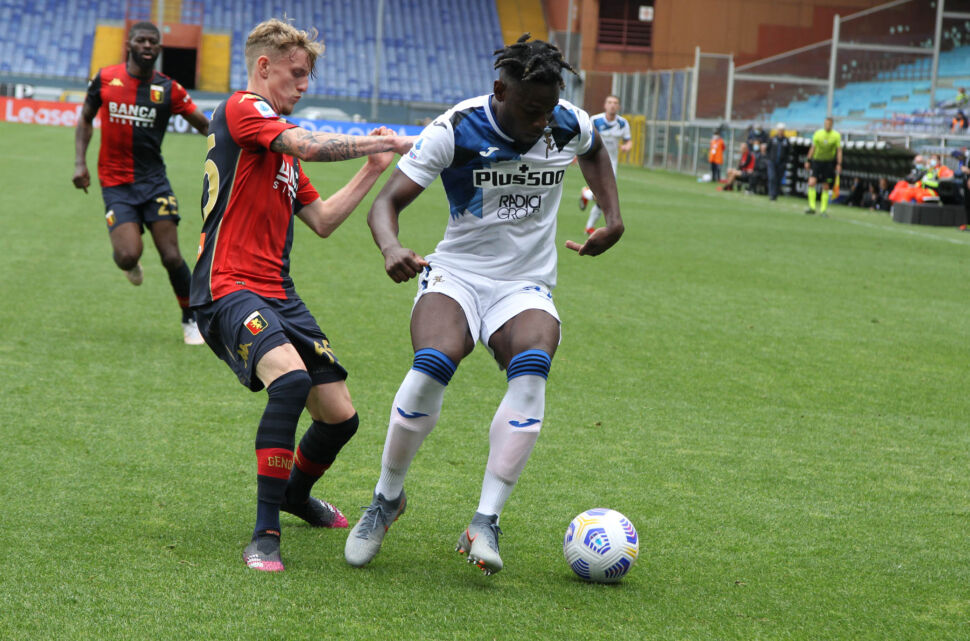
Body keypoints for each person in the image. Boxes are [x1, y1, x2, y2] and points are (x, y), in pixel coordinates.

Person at [343, 34, 624, 576]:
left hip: (525, 283)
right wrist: (392, 247)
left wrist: (613, 218)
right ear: (501, 90)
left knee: (533, 368)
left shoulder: (567, 121)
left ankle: (485, 521)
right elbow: (387, 203)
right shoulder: (456, 128)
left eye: (548, 110)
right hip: (458, 274)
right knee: (432, 364)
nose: (543, 123)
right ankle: (385, 501)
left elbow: (594, 151)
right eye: (530, 109)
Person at [189, 18, 413, 572]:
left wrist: (372, 168)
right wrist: (387, 137)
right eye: (297, 73)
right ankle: (265, 535)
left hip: (278, 293)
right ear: (264, 67)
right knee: (288, 383)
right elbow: (308, 144)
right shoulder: (243, 107)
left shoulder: (280, 147)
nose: (304, 84)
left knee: (340, 418)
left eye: (308, 75)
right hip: (227, 284)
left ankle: (294, 494)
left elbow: (322, 220)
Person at [72, 21, 210, 344]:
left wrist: (238, 141)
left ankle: (191, 318)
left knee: (172, 256)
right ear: (130, 45)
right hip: (116, 184)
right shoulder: (105, 78)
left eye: (153, 42)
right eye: (141, 40)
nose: (147, 46)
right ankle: (130, 262)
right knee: (126, 255)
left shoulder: (169, 89)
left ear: (159, 49)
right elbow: (85, 118)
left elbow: (204, 124)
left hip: (154, 183)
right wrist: (80, 162)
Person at [581, 94, 632, 234]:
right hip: (596, 160)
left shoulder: (623, 123)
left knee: (604, 196)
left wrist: (627, 147)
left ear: (618, 106)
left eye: (615, 103)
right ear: (605, 105)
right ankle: (589, 222)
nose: (612, 105)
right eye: (609, 102)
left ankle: (587, 197)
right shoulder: (595, 120)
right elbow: (585, 138)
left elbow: (628, 141)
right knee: (603, 195)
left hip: (612, 163)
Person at [804, 116, 842, 216]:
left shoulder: (836, 135)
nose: (827, 125)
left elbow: (839, 151)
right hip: (817, 162)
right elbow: (813, 147)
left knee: (826, 186)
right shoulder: (818, 133)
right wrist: (808, 160)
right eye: (826, 123)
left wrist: (839, 164)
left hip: (828, 163)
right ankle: (812, 207)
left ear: (832, 125)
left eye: (829, 124)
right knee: (812, 182)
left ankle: (823, 210)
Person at [766, 123, 790, 201]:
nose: (780, 132)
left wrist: (785, 161)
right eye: (779, 130)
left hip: (781, 163)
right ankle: (771, 194)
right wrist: (769, 159)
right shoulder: (773, 139)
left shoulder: (786, 141)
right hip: (772, 162)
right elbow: (768, 149)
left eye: (782, 130)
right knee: (772, 177)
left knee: (778, 179)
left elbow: (788, 152)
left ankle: (775, 194)